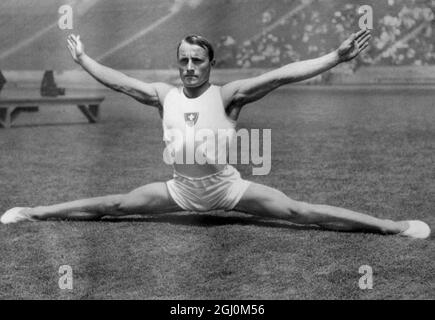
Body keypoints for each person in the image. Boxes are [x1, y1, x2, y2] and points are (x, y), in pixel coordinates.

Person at [1, 30, 430, 239]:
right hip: (180, 192)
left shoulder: (229, 95)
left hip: (228, 190)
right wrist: (83, 61)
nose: (189, 67)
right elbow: (117, 81)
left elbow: (281, 75)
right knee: (112, 204)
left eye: (198, 61)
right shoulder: (161, 94)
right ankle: (31, 212)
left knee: (301, 213)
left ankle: (393, 226)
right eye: (184, 60)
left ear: (210, 63)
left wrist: (334, 57)